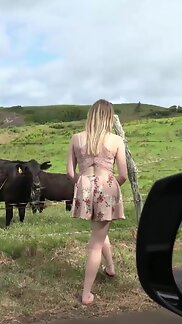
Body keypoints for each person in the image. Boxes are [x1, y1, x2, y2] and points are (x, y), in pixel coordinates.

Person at [66, 99, 128, 305]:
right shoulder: (116, 140)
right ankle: (86, 294)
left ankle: (110, 268)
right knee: (96, 243)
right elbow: (124, 175)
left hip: (85, 186)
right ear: (108, 117)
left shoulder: (76, 138)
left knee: (99, 232)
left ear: (91, 116)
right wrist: (108, 185)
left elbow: (69, 173)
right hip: (106, 186)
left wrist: (85, 185)